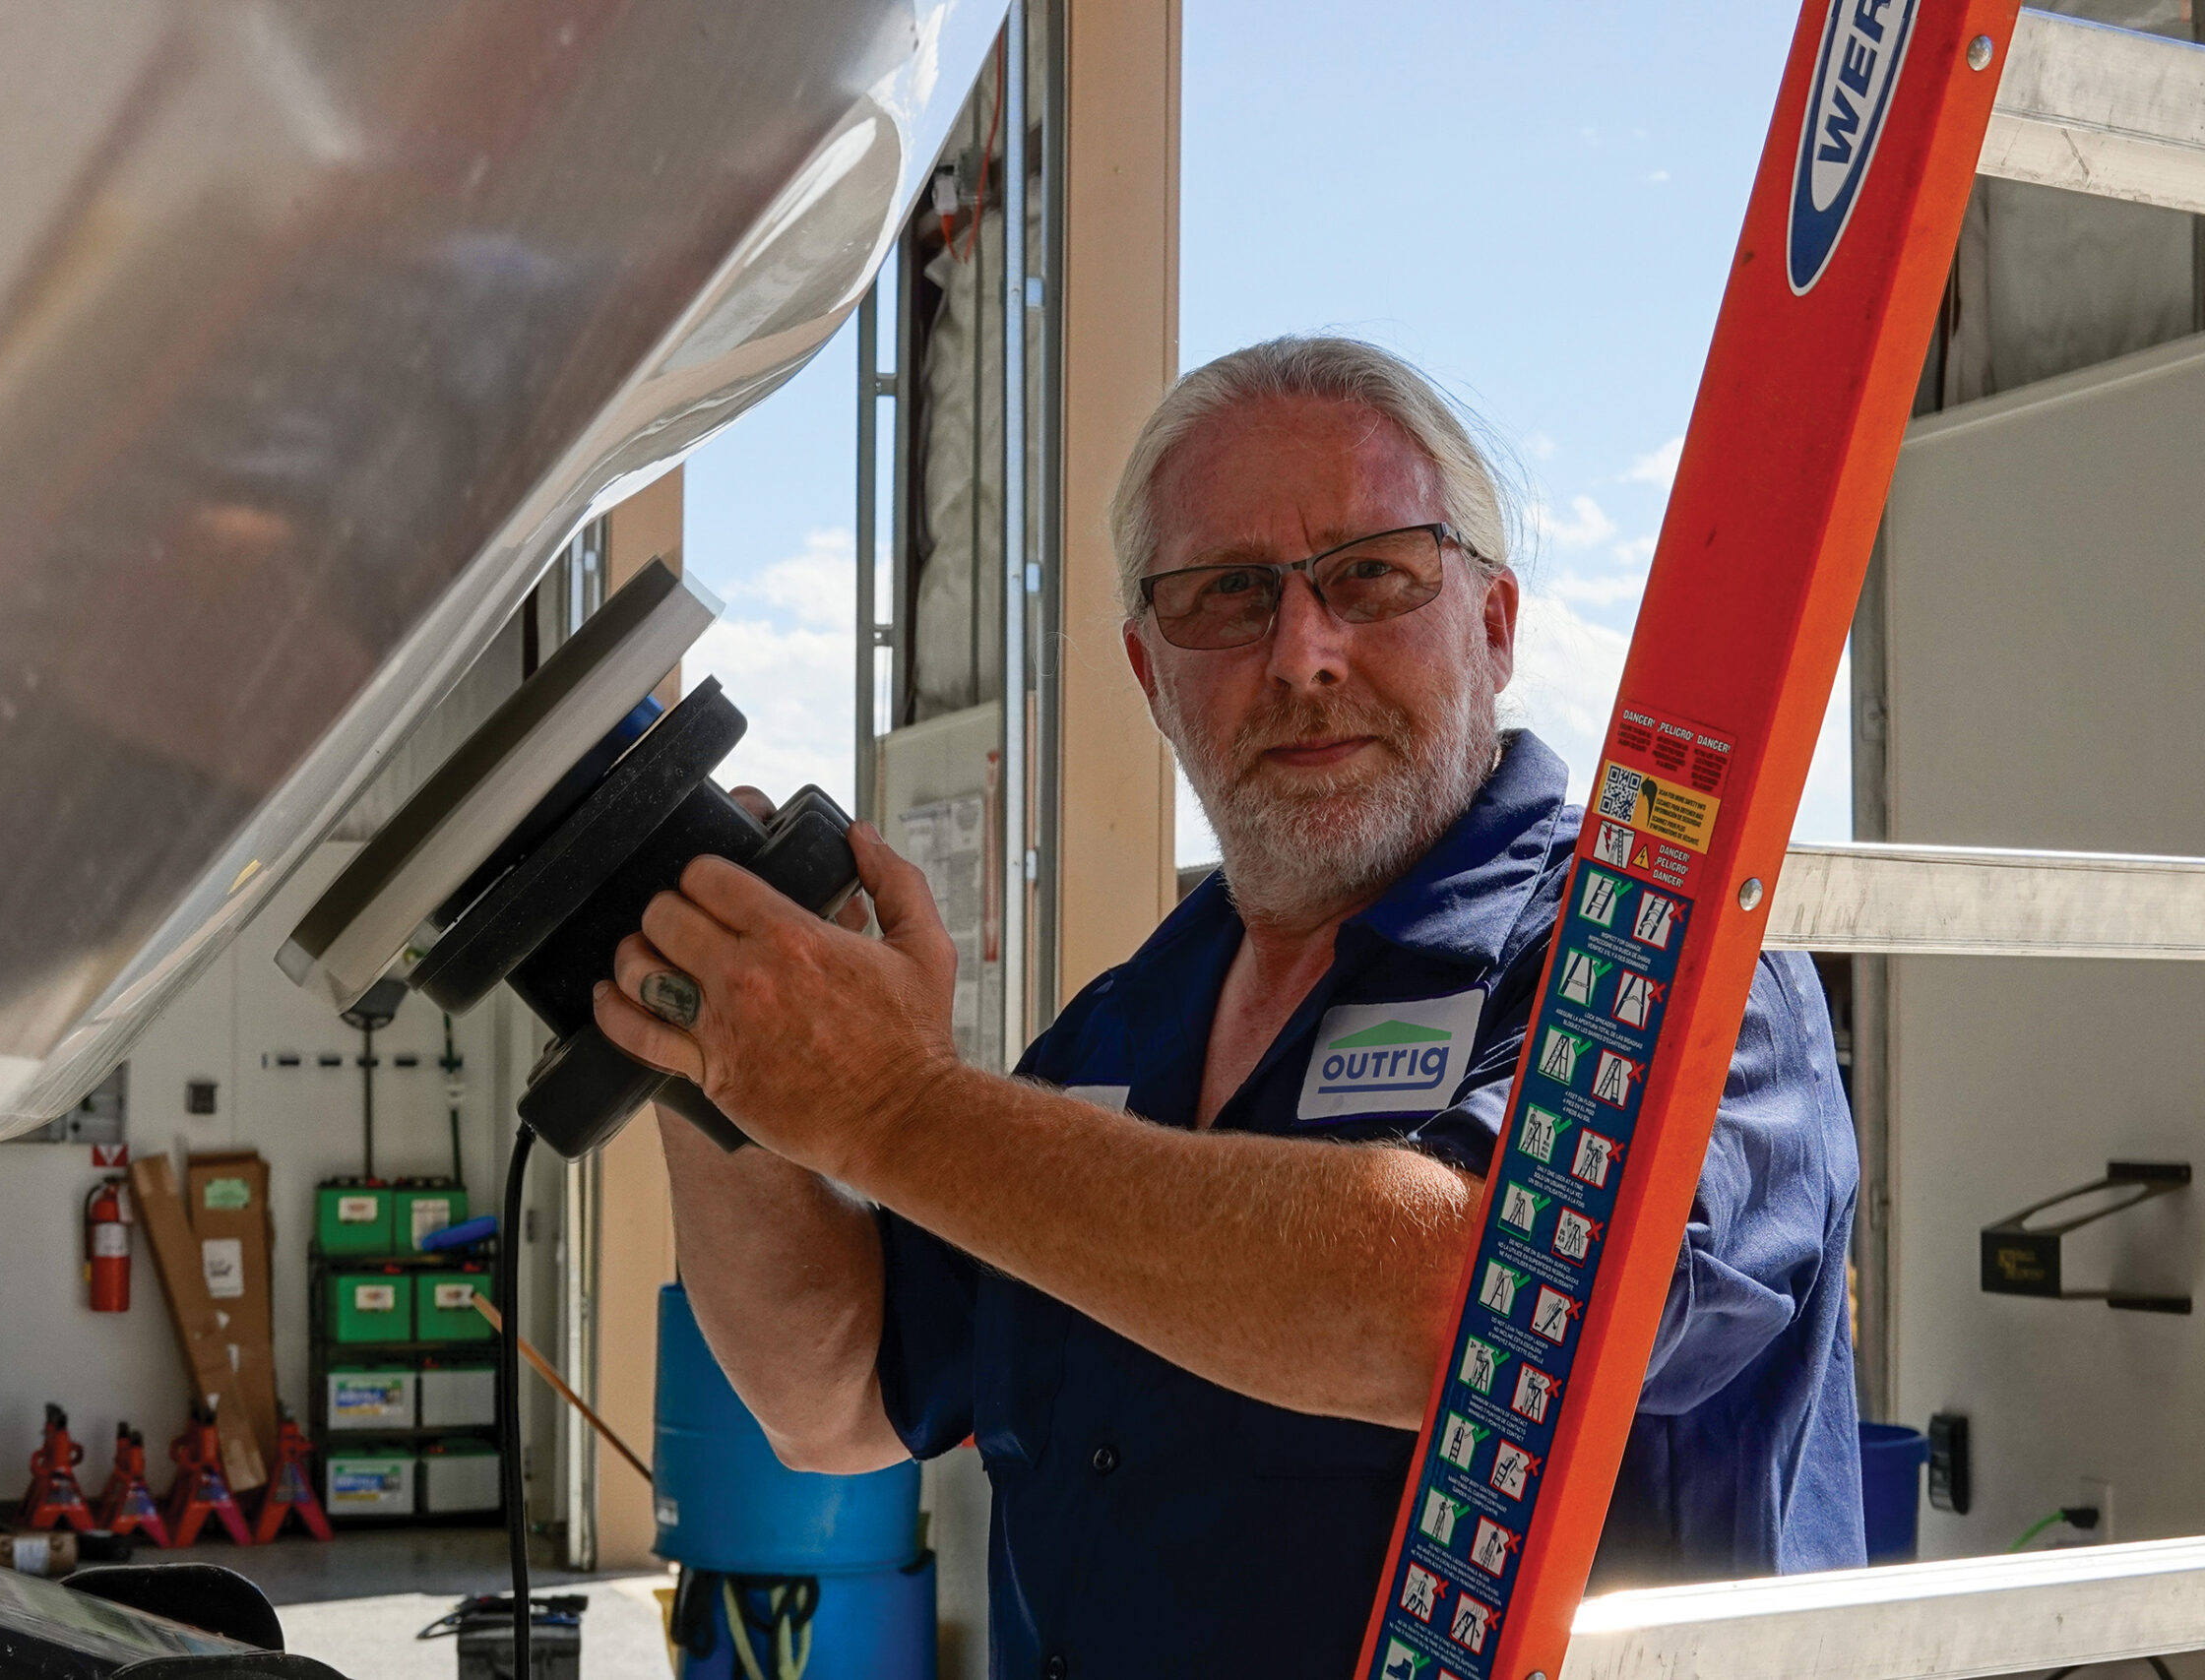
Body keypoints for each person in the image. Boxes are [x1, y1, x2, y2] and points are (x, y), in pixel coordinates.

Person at [593, 337, 1862, 1678]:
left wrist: (892, 1110)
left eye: (1373, 573)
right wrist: (710, 1045)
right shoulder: (1125, 1028)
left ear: (1493, 625)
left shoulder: (1654, 974)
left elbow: (1473, 1307)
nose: (1304, 653)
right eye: (1228, 596)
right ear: (1151, 675)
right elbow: (838, 1393)